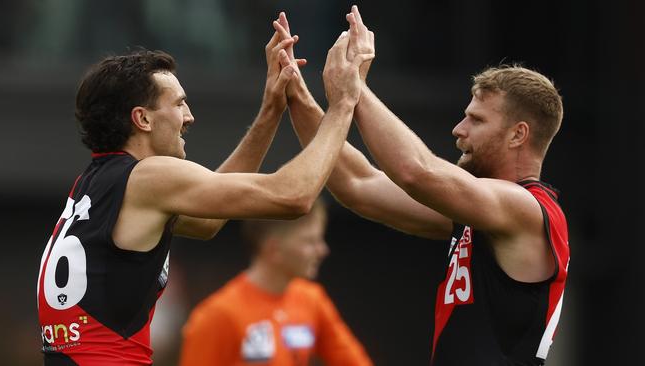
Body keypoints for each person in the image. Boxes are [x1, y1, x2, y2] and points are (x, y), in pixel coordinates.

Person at [36, 20, 373, 365]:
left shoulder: (93, 184)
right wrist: (343, 104)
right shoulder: (149, 176)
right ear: (143, 119)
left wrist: (270, 112)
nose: (190, 116)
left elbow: (207, 222)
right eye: (179, 104)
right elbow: (294, 195)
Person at [276, 6, 569, 365]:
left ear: (517, 135)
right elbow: (358, 184)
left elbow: (417, 170)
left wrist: (355, 89)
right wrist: (296, 91)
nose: (458, 130)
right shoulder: (479, 216)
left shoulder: (528, 209)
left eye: (475, 120)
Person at [179, 199, 373, 365]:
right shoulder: (218, 315)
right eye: (310, 241)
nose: (322, 250)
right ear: (274, 249)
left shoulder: (312, 299)